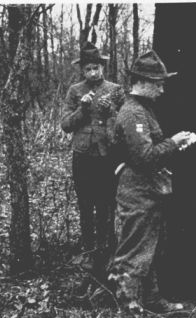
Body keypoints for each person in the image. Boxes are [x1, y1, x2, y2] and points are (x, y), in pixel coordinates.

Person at [108, 50, 196, 318]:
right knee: (133, 259)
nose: (162, 88)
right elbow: (144, 158)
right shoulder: (133, 112)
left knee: (150, 249)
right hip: (138, 193)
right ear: (143, 82)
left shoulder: (143, 109)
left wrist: (173, 144)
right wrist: (174, 142)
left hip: (147, 191)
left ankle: (154, 301)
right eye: (158, 83)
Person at [61, 41, 124, 291]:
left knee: (106, 204)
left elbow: (124, 123)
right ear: (82, 71)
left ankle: (107, 251)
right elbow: (66, 125)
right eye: (88, 69)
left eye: (96, 68)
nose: (92, 73)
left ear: (102, 68)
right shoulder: (75, 91)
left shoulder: (116, 90)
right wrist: (82, 109)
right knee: (85, 204)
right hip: (83, 156)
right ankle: (88, 252)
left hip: (106, 156)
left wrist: (111, 112)